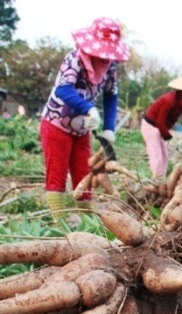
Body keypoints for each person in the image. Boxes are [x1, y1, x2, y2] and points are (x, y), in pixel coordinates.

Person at [39, 17, 130, 219]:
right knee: (57, 174)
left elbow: (111, 95)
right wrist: (89, 108)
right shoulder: (74, 59)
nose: (106, 57)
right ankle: (60, 224)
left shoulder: (110, 66)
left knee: (84, 173)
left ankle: (87, 223)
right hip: (56, 124)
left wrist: (109, 128)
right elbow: (63, 89)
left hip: (81, 129)